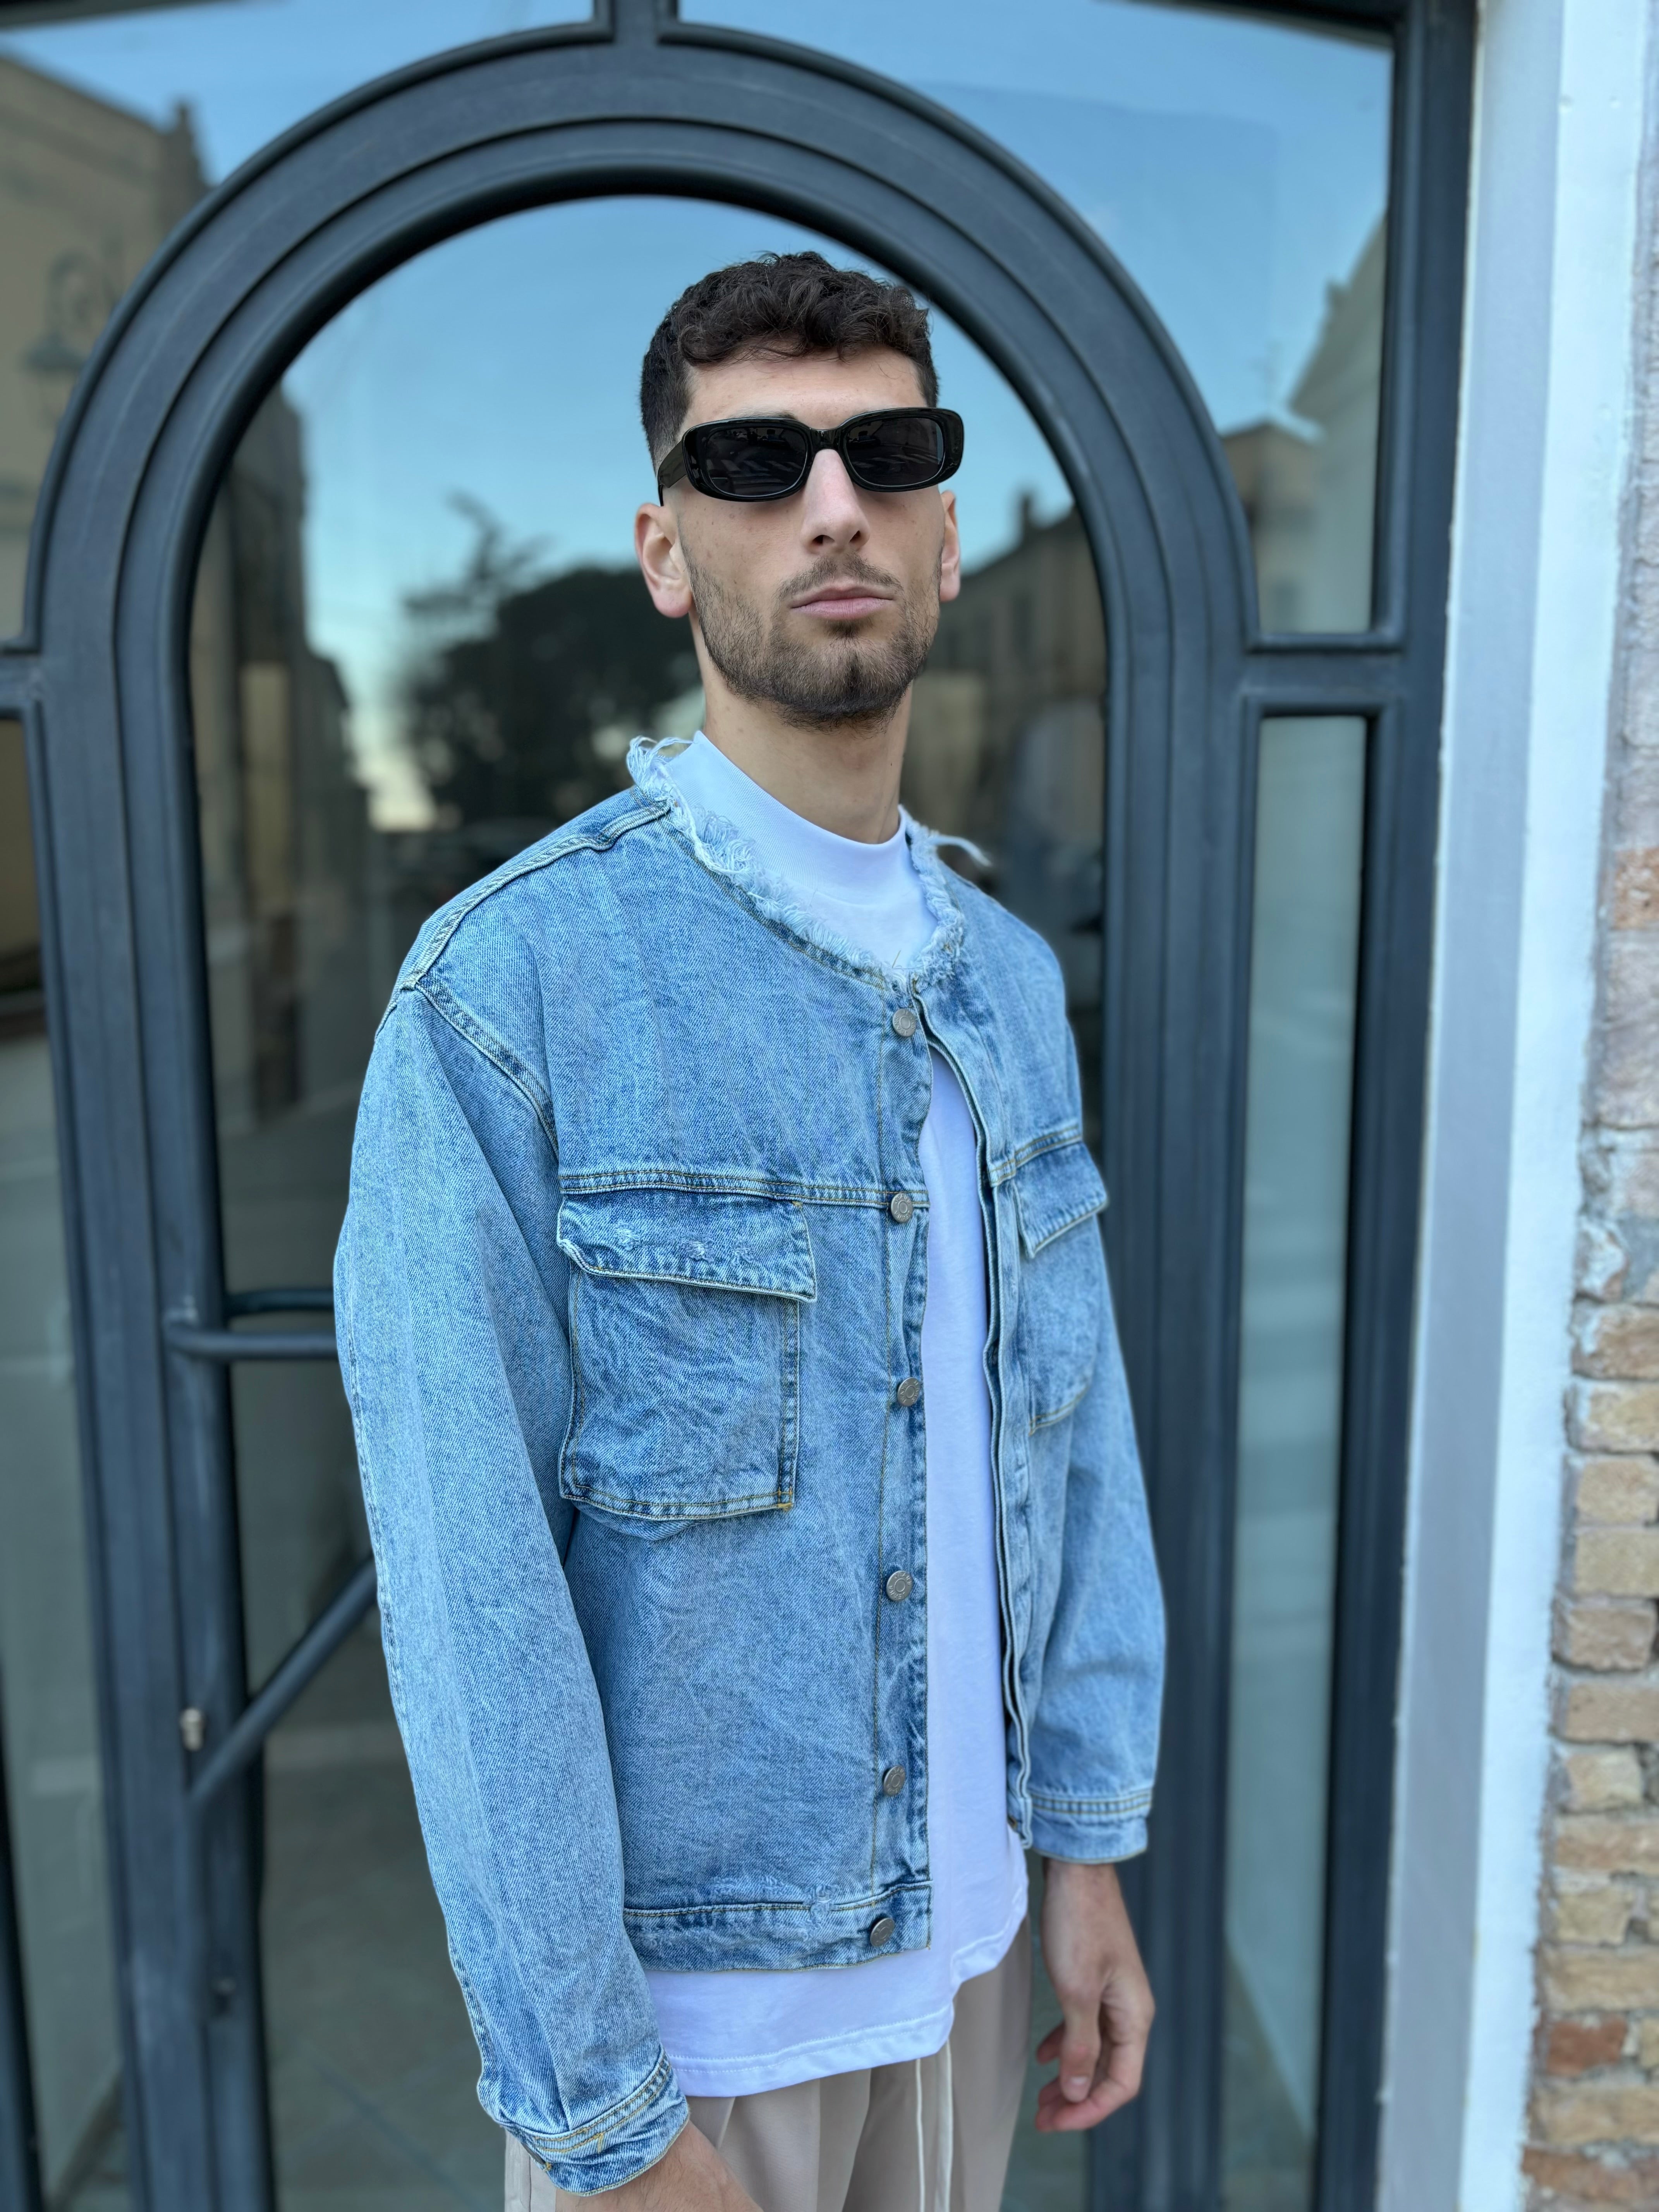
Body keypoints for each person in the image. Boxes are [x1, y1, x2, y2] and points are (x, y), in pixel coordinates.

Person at [335, 251, 1164, 2212]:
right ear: (665, 549)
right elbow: (469, 1595)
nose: (831, 505)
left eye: (888, 453)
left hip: (970, 1976)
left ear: (946, 536)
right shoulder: (512, 987)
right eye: (755, 464)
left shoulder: (1009, 981)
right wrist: (606, 2124)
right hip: (694, 2056)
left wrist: (1086, 1856)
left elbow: (1074, 1447)